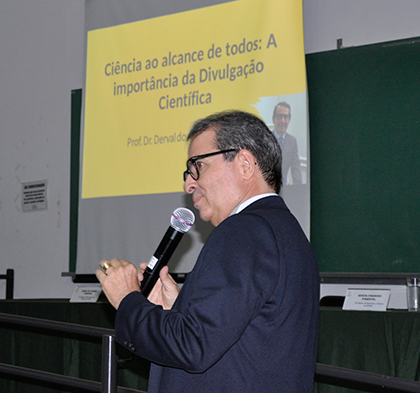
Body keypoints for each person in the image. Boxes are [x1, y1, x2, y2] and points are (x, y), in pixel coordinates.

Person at [96, 110, 319, 393]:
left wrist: (128, 299)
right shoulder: (287, 232)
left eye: (198, 166)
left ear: (245, 164)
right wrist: (177, 311)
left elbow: (192, 345)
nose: (189, 183)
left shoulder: (243, 230)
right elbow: (241, 338)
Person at [273, 101, 303, 185]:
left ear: (289, 120)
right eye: (279, 117)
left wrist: (298, 190)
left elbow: (296, 169)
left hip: (285, 188)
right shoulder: (266, 139)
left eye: (285, 117)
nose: (282, 121)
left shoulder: (292, 142)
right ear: (273, 119)